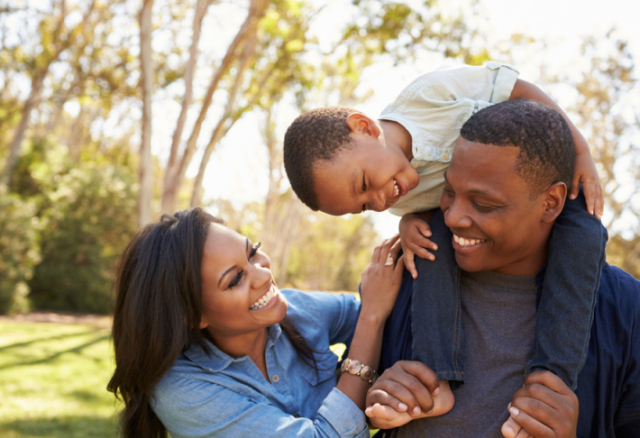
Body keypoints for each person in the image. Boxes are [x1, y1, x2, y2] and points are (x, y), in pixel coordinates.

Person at [283, 62, 607, 434]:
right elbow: (428, 210)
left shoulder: (428, 96)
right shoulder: (401, 197)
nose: (380, 200)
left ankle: (550, 381)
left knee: (585, 234)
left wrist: (579, 150)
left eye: (365, 183)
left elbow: (519, 90)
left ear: (365, 127)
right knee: (429, 248)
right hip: (471, 225)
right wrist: (407, 224)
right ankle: (436, 377)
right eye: (365, 206)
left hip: (540, 180)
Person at [364, 99, 640, 438]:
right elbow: (344, 403)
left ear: (550, 202)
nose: (452, 217)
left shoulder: (627, 312)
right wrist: (377, 397)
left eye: (483, 204)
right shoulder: (405, 278)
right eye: (449, 192)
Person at [107, 208, 424, 438]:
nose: (263, 274)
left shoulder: (297, 310)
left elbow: (393, 318)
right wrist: (371, 319)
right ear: (192, 316)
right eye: (235, 280)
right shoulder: (183, 391)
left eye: (253, 253)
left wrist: (413, 221)